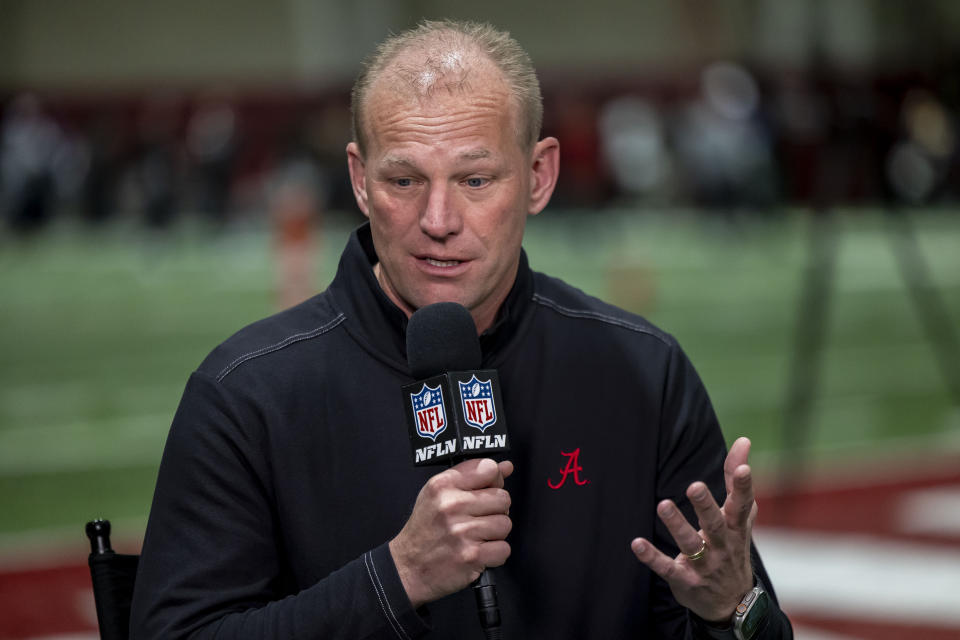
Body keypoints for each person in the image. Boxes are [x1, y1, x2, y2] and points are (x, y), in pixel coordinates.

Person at [130, 20, 793, 639]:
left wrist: (733, 613)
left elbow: (740, 623)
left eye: (475, 179)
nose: (438, 218)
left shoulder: (643, 372)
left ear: (539, 175)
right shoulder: (247, 395)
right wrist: (395, 580)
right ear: (360, 180)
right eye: (404, 179)